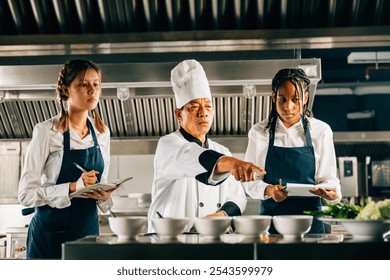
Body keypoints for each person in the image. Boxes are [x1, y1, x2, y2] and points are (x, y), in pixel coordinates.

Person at [147, 59, 265, 233]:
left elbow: (238, 197)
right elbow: (195, 157)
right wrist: (233, 164)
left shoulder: (223, 152)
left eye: (208, 106)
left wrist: (222, 215)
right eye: (194, 107)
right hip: (169, 241)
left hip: (210, 239)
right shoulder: (168, 145)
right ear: (179, 114)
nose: (203, 112)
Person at [18, 59, 113, 259]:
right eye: (83, 84)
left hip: (87, 234)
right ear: (66, 89)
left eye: (96, 84)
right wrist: (72, 187)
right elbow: (25, 195)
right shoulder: (46, 131)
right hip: (50, 238)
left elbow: (102, 182)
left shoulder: (102, 133)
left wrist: (105, 198)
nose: (92, 90)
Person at [243, 68, 342, 234]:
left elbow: (328, 179)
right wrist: (269, 190)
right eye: (282, 99)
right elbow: (250, 182)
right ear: (273, 97)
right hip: (271, 225)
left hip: (312, 225)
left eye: (295, 100)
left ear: (305, 98)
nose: (288, 107)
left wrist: (330, 193)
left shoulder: (321, 131)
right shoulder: (259, 132)